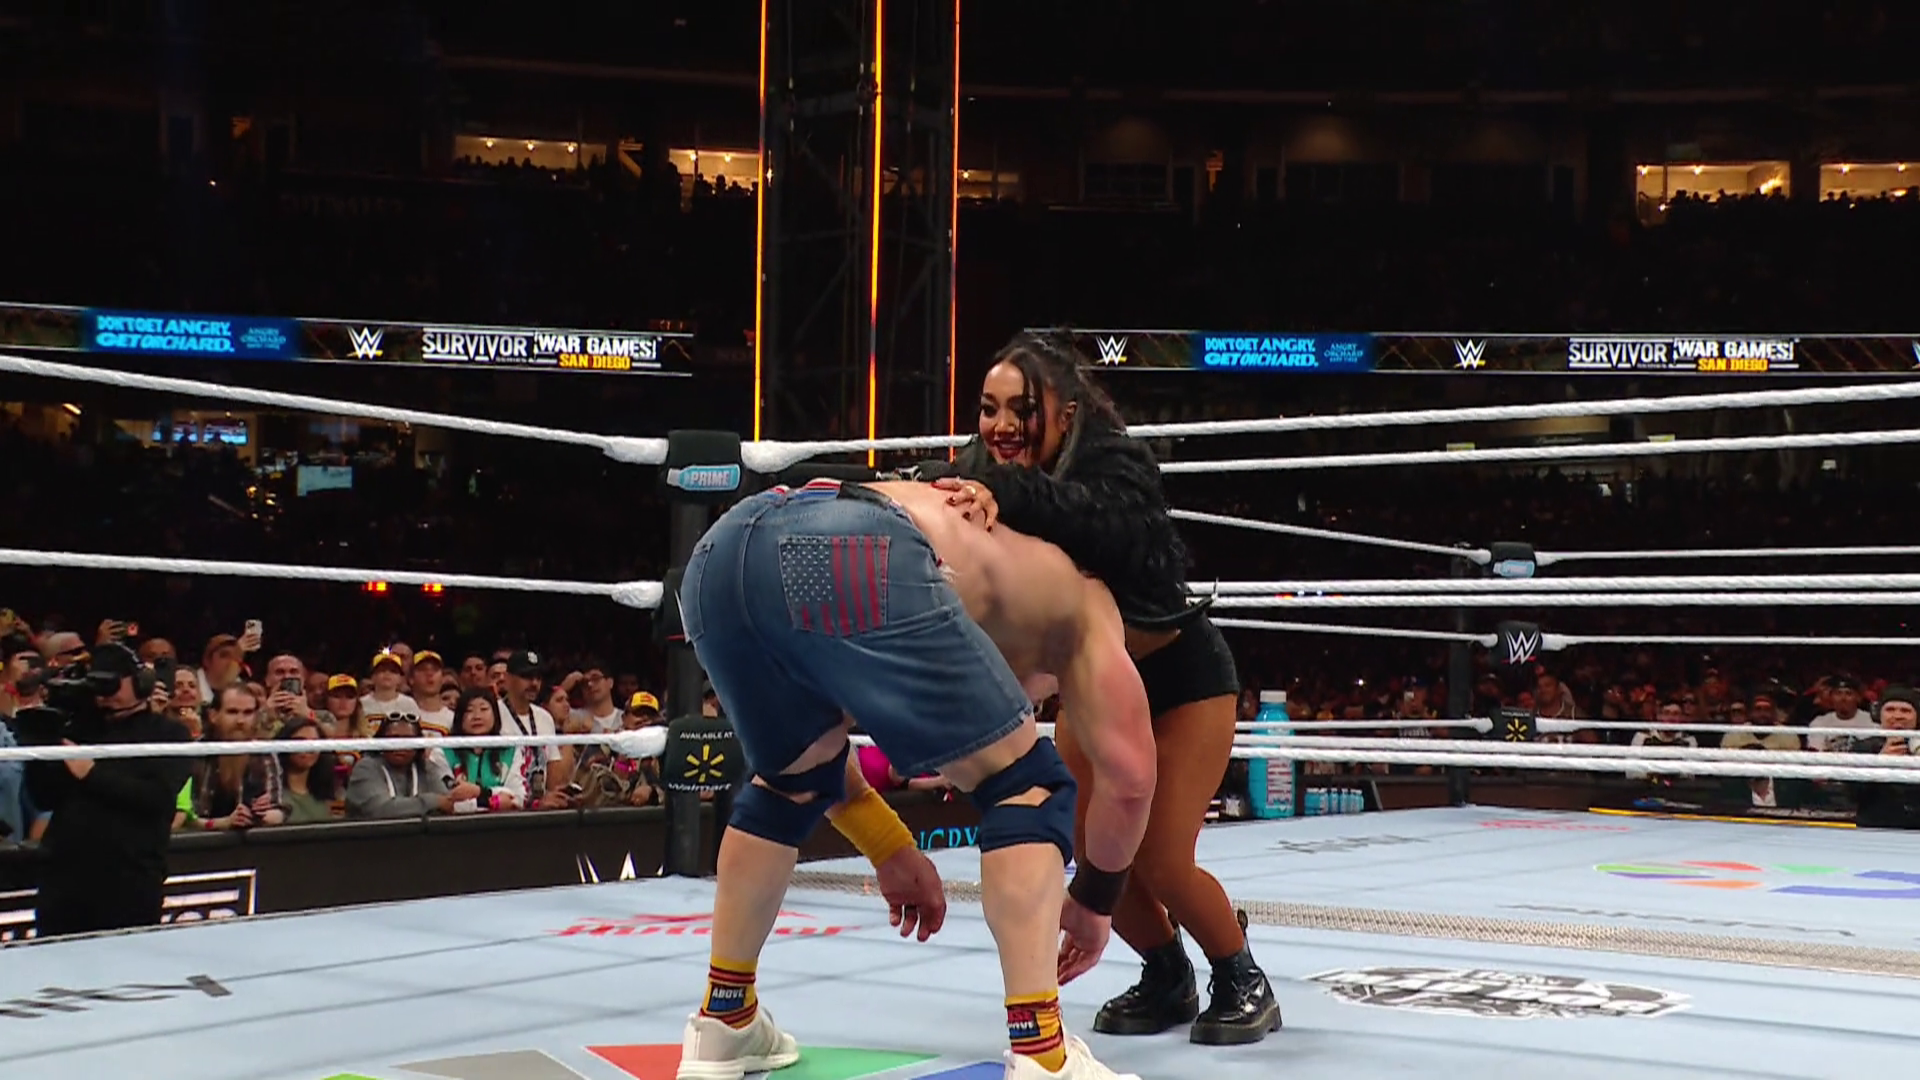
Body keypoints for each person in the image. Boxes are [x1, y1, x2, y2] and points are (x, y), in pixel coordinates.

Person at [676, 476, 1157, 1080]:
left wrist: (889, 847)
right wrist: (1095, 900)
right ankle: (1044, 1056)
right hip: (849, 545)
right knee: (1027, 787)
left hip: (718, 558)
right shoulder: (1085, 597)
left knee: (789, 782)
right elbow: (1131, 778)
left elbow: (822, 762)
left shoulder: (963, 545)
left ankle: (725, 1022)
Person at [933, 331, 1279, 1044]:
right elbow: (941, 487)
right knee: (1095, 853)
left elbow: (1095, 523)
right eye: (988, 408)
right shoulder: (984, 468)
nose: (1000, 426)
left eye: (1021, 409)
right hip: (1091, 681)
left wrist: (1001, 490)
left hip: (1183, 679)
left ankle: (1241, 975)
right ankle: (1165, 972)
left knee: (1161, 858)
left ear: (1066, 413)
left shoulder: (1117, 465)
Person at [24, 643, 194, 936]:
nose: (106, 694)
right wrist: (39, 749)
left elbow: (157, 799)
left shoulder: (169, 733)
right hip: (64, 884)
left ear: (140, 684)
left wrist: (91, 774)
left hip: (129, 883)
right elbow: (44, 796)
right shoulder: (78, 730)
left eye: (113, 683)